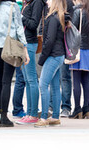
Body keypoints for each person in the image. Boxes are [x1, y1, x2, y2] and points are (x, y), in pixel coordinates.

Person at [0, 0, 29, 127]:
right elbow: (18, 27)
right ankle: (4, 116)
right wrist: (24, 46)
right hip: (9, 46)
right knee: (6, 82)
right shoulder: (14, 6)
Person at [34, 0, 67, 128]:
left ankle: (44, 118)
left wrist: (42, 58)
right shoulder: (60, 16)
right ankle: (55, 117)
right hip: (59, 55)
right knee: (54, 86)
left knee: (43, 84)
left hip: (53, 55)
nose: (46, 1)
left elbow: (49, 41)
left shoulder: (53, 18)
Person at [15, 0, 45, 125]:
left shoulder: (37, 2)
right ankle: (28, 113)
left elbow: (33, 24)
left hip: (30, 44)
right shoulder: (27, 2)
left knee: (32, 80)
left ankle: (33, 114)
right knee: (27, 80)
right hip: (23, 43)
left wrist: (21, 17)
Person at [67, 0, 89, 119]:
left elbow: (72, 30)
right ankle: (86, 109)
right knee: (86, 80)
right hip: (88, 49)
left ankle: (77, 109)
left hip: (77, 49)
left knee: (76, 80)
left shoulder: (76, 11)